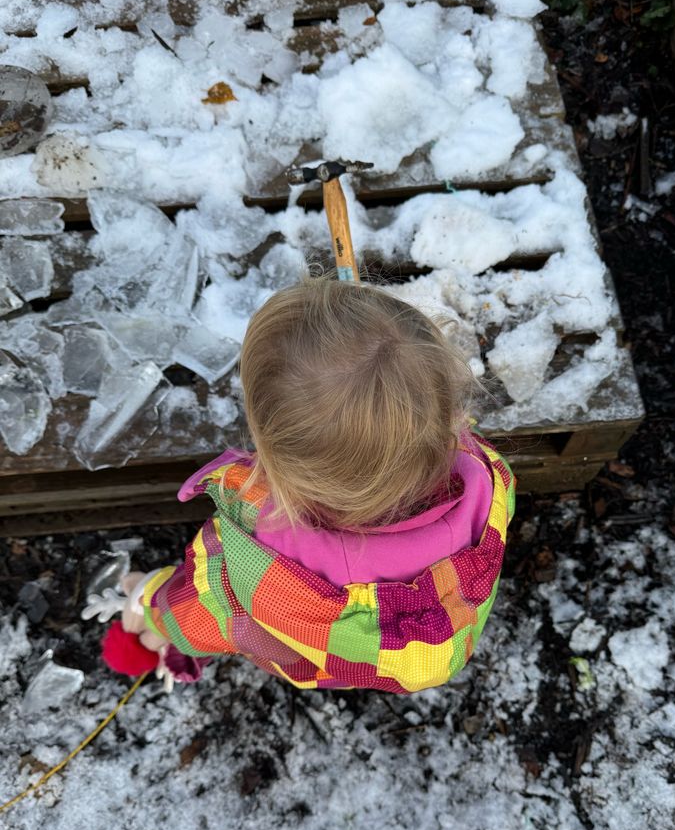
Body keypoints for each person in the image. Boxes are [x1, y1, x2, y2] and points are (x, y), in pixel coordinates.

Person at [102, 278, 515, 693]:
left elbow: (208, 611)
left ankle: (148, 628)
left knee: (168, 613)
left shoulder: (266, 557)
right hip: (404, 649)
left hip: (313, 650)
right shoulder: (486, 476)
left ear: (277, 456)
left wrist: (154, 604)